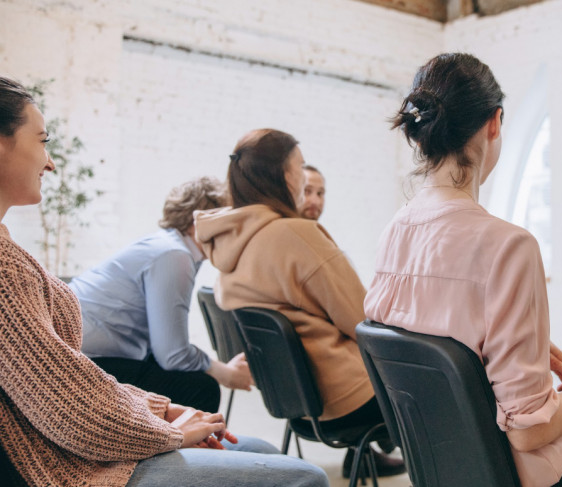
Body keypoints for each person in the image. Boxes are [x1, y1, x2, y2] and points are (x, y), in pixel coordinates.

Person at [0, 75, 329, 487]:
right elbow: (68, 404)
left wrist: (163, 410)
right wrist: (172, 428)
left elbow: (72, 379)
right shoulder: (170, 255)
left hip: (83, 417)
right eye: (43, 141)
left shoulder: (11, 248)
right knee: (306, 477)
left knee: (256, 448)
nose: (50, 161)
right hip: (62, 460)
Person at [364, 53, 562, 487]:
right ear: (494, 123)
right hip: (514, 469)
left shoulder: (393, 232)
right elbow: (530, 432)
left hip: (439, 458)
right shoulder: (509, 245)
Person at [194, 129, 405, 479]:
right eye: (300, 166)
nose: (303, 176)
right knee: (447, 389)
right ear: (285, 174)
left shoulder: (229, 245)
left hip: (297, 405)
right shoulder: (295, 234)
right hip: (348, 399)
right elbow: (362, 319)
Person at [69, 177, 252, 413]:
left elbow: (167, 348)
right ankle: (187, 448)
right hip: (86, 363)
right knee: (201, 388)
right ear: (199, 222)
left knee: (189, 375)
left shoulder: (166, 246)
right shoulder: (174, 256)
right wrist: (223, 373)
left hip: (89, 354)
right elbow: (172, 354)